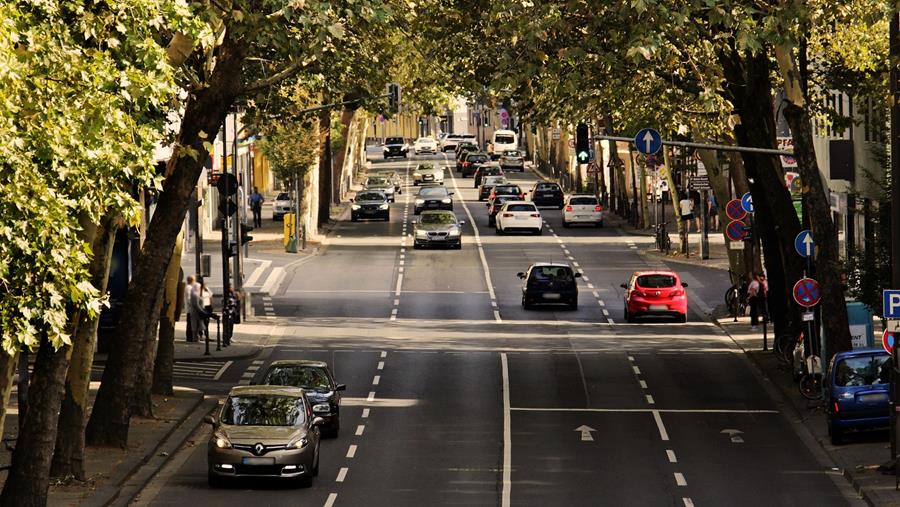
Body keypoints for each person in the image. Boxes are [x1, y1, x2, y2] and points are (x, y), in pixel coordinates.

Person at [183, 275, 197, 342]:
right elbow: (189, 299)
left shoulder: (190, 287)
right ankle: (190, 337)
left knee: (191, 323)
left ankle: (192, 337)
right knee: (190, 323)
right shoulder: (189, 288)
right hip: (191, 309)